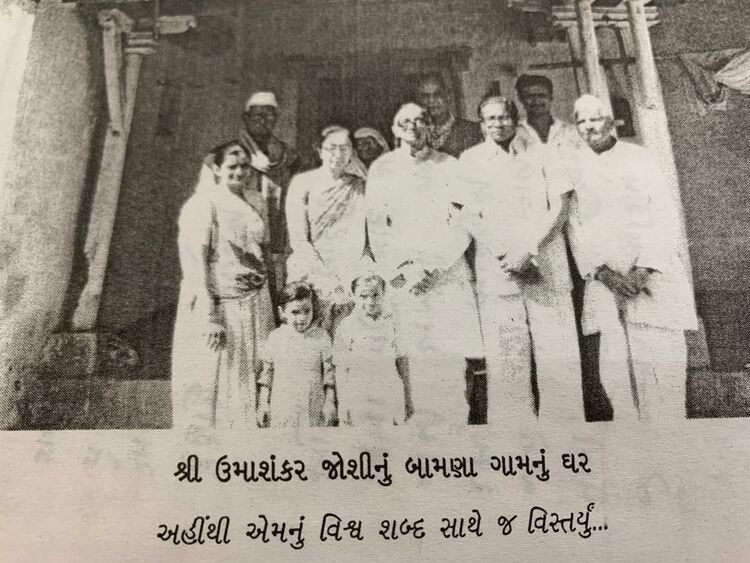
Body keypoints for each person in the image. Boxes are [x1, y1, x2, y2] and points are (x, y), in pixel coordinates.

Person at [568, 94, 697, 421]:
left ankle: (670, 438)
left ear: (610, 121)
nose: (588, 126)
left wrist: (643, 270)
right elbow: (575, 226)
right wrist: (605, 274)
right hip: (606, 282)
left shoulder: (641, 158)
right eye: (581, 121)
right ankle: (631, 440)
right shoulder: (573, 166)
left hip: (650, 278)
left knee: (661, 366)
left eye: (595, 118)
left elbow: (664, 214)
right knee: (617, 372)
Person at [366, 102, 483, 427]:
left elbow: (462, 221)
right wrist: (399, 271)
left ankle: (455, 432)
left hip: (444, 274)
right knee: (413, 357)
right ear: (394, 129)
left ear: (430, 127)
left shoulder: (449, 165)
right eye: (405, 122)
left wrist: (432, 267)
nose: (413, 128)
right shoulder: (382, 168)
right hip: (404, 279)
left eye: (420, 121)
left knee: (450, 357)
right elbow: (376, 227)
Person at [172, 141, 275, 429]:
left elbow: (263, 251)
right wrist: (210, 315)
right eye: (232, 166)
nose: (240, 172)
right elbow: (197, 262)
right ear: (216, 168)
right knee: (219, 375)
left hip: (257, 301)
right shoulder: (203, 204)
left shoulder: (257, 200)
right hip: (220, 304)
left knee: (257, 370)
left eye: (244, 166)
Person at [503, 76, 586, 421]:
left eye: (541, 95)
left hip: (578, 231)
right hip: (539, 241)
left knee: (576, 329)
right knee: (541, 334)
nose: (535, 101)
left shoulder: (571, 133)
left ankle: (575, 413)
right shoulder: (515, 136)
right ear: (521, 100)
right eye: (529, 96)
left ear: (551, 97)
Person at [285, 125, 368, 334]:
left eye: (345, 148)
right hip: (312, 269)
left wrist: (347, 278)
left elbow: (363, 236)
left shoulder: (359, 185)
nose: (338, 154)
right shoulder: (302, 183)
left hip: (349, 270)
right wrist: (327, 279)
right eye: (332, 148)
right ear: (320, 150)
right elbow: (299, 239)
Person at [240, 91, 300, 311]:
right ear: (246, 118)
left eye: (269, 115)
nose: (263, 120)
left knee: (276, 290)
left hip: (276, 230)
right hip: (243, 232)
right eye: (257, 115)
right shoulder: (232, 154)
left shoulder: (288, 156)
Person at [334, 272, 411, 426]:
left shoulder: (392, 323)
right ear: (353, 296)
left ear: (383, 294)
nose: (370, 301)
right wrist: (343, 404)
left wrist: (408, 400)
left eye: (375, 295)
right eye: (363, 296)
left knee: (389, 435)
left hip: (388, 393)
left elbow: (402, 362)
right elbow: (341, 368)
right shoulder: (346, 326)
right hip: (359, 395)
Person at [257, 283, 336, 428]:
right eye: (295, 312)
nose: (302, 318)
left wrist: (329, 403)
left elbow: (329, 375)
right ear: (282, 312)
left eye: (307, 311)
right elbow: (266, 375)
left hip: (313, 406)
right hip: (283, 407)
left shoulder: (321, 337)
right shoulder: (276, 337)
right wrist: (263, 404)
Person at [416, 74, 482, 158]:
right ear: (420, 100)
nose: (431, 101)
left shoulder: (471, 130)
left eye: (437, 95)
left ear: (448, 96)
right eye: (426, 96)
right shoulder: (415, 133)